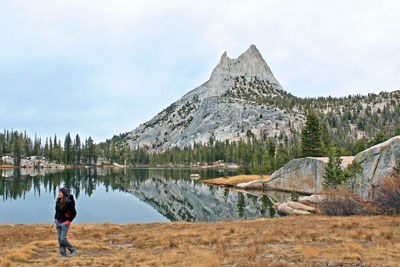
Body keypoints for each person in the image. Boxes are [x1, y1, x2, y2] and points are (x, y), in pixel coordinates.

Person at [54, 187, 77, 257]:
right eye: (59, 192)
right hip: (58, 221)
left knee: (62, 238)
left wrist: (69, 220)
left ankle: (72, 249)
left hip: (65, 222)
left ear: (64, 194)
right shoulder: (58, 200)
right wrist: (55, 218)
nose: (59, 193)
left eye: (60, 192)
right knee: (59, 239)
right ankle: (63, 254)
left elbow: (74, 213)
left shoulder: (68, 202)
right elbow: (57, 210)